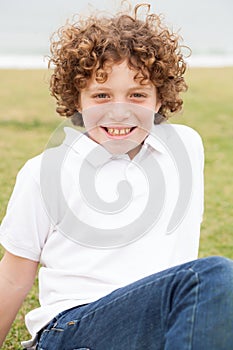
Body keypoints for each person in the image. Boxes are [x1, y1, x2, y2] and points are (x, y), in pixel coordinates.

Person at [0, 2, 233, 349]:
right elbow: (14, 277)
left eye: (137, 95)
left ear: (159, 100)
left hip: (158, 322)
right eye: (102, 95)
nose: (119, 111)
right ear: (77, 100)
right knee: (213, 277)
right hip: (72, 328)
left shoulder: (185, 146)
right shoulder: (44, 172)